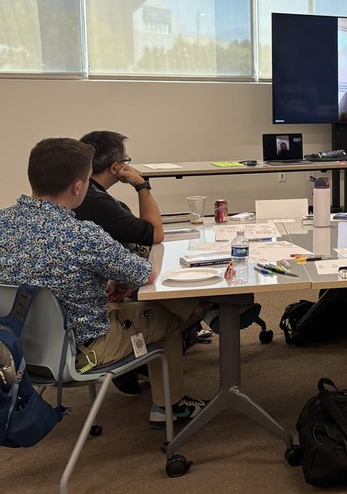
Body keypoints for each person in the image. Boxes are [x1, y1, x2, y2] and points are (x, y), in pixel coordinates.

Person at [0, 138, 206, 429]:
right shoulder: (82, 234)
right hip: (80, 351)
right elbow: (144, 275)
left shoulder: (2, 223)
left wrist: (106, 277)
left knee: (128, 304)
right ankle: (171, 407)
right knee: (169, 317)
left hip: (15, 350)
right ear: (77, 186)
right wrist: (118, 276)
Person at [76, 130, 214, 395]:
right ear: (117, 167)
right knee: (167, 304)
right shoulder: (95, 202)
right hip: (95, 317)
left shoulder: (83, 197)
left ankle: (205, 309)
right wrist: (142, 185)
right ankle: (168, 406)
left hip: (82, 304)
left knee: (152, 282)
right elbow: (154, 234)